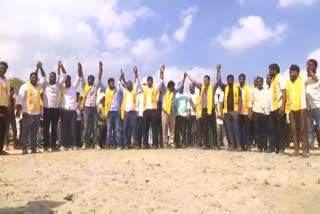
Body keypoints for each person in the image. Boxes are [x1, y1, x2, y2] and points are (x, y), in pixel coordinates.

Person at [286, 64, 317, 157]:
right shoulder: (288, 83)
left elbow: (315, 79)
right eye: (289, 72)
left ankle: (305, 151)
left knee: (303, 130)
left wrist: (309, 70)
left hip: (302, 108)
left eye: (292, 72)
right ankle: (296, 150)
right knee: (294, 130)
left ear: (297, 72)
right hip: (291, 109)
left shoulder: (303, 79)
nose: (290, 73)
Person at [17, 62, 46, 154]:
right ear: (30, 78)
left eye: (35, 78)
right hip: (27, 113)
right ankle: (24, 149)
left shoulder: (39, 86)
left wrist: (40, 68)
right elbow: (19, 98)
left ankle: (33, 149)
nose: (34, 79)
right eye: (32, 77)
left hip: (37, 114)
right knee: (25, 132)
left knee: (34, 133)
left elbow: (44, 78)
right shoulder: (24, 86)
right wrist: (19, 110)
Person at [186, 67, 219, 150]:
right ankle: (206, 144)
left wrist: (218, 70)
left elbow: (218, 81)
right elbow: (194, 81)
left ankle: (215, 145)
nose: (205, 81)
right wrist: (187, 75)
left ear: (209, 80)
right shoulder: (201, 87)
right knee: (205, 128)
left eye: (206, 80)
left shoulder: (213, 87)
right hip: (204, 110)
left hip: (211, 109)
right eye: (204, 80)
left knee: (213, 128)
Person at [136, 66, 164, 149]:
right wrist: (136, 72)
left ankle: (155, 144)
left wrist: (161, 72)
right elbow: (138, 81)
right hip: (145, 111)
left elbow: (161, 81)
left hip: (153, 111)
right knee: (145, 128)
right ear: (147, 81)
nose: (149, 82)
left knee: (154, 128)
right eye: (148, 81)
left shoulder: (155, 89)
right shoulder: (144, 89)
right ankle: (145, 144)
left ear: (152, 82)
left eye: (150, 81)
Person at [42, 61, 67, 151]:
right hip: (47, 109)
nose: (52, 78)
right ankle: (45, 146)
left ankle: (53, 146)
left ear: (55, 78)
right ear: (49, 77)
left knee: (54, 128)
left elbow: (65, 75)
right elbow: (42, 76)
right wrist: (40, 68)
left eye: (53, 76)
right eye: (51, 76)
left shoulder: (58, 85)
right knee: (46, 128)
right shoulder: (45, 84)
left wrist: (61, 66)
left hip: (55, 109)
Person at [217, 66, 242, 151]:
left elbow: (240, 99)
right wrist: (218, 70)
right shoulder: (225, 88)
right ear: (227, 81)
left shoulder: (237, 88)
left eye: (231, 80)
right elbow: (219, 81)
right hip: (227, 112)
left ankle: (238, 146)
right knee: (228, 130)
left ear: (233, 80)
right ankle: (231, 145)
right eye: (228, 80)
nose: (230, 81)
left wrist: (238, 110)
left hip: (235, 112)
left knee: (236, 130)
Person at [59, 62, 83, 150]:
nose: (67, 82)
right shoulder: (61, 88)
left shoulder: (74, 86)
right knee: (64, 129)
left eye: (68, 80)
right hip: (64, 111)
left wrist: (79, 67)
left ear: (70, 80)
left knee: (73, 129)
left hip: (73, 112)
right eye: (65, 80)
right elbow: (60, 76)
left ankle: (74, 145)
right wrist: (61, 67)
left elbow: (79, 76)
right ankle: (63, 145)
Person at [159, 72, 186, 149]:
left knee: (172, 128)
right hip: (165, 112)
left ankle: (171, 142)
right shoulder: (164, 90)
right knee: (164, 128)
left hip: (172, 112)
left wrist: (184, 78)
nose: (173, 88)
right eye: (171, 87)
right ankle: (164, 143)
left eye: (173, 87)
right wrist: (161, 72)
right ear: (168, 87)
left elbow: (181, 86)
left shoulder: (174, 91)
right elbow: (161, 81)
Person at [81, 62, 103, 149]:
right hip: (86, 109)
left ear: (93, 81)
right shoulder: (85, 87)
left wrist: (100, 68)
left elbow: (99, 78)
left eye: (91, 79)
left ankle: (96, 143)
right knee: (86, 127)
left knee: (95, 127)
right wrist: (80, 68)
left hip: (94, 108)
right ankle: (84, 143)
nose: (90, 80)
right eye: (89, 79)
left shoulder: (95, 87)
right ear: (88, 80)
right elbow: (81, 78)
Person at [267, 63, 286, 154]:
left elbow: (284, 92)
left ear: (275, 70)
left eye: (270, 70)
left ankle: (281, 148)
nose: (269, 72)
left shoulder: (280, 78)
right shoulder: (273, 80)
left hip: (279, 107)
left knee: (280, 129)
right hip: (272, 108)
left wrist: (283, 106)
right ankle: (273, 148)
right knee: (272, 129)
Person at [119, 66, 139, 149]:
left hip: (133, 113)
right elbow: (118, 84)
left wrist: (135, 73)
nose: (129, 85)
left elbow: (137, 82)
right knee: (126, 129)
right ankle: (126, 145)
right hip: (126, 113)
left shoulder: (134, 91)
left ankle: (136, 144)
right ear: (126, 85)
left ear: (132, 85)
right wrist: (121, 77)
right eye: (127, 84)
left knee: (134, 129)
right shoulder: (124, 91)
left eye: (130, 84)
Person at [104, 71, 123, 149]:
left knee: (117, 129)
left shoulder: (117, 90)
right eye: (111, 83)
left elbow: (119, 83)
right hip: (109, 112)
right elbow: (99, 82)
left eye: (113, 83)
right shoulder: (106, 90)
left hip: (117, 112)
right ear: (108, 84)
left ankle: (118, 145)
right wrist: (101, 69)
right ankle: (108, 145)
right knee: (109, 129)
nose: (112, 84)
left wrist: (121, 76)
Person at [249, 77, 268, 152]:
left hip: (264, 112)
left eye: (261, 81)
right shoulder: (253, 91)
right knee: (257, 130)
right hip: (256, 112)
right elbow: (250, 102)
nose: (259, 83)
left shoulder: (265, 90)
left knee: (265, 131)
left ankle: (265, 146)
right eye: (258, 81)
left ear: (263, 82)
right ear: (256, 82)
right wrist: (250, 113)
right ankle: (259, 147)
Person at [305, 59, 320, 150]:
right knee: (309, 129)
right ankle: (310, 147)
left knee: (319, 128)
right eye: (308, 65)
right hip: (308, 107)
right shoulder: (306, 79)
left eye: (311, 65)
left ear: (315, 67)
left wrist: (310, 71)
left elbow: (316, 79)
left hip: (318, 105)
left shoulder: (318, 76)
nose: (309, 67)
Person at [238, 74, 253, 150]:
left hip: (246, 111)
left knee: (247, 129)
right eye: (240, 79)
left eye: (242, 79)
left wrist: (250, 112)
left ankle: (248, 145)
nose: (241, 80)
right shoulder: (236, 88)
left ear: (245, 80)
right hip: (239, 112)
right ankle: (241, 145)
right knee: (240, 129)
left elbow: (250, 100)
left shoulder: (248, 88)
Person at [0, 61, 10, 155]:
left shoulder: (7, 81)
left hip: (4, 107)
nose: (2, 69)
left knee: (3, 128)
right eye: (1, 67)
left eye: (4, 68)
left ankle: (0, 149)